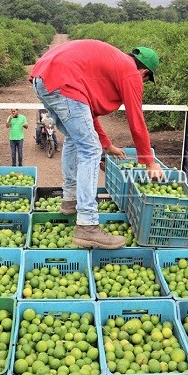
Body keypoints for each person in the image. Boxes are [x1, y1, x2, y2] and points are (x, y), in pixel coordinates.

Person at [29, 39, 164, 249]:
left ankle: (70, 200)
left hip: (44, 78)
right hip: (63, 81)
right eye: (145, 79)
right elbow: (136, 121)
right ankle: (88, 225)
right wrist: (149, 162)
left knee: (76, 140)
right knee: (90, 150)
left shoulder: (112, 63)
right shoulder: (131, 73)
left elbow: (86, 116)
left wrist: (107, 144)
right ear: (145, 72)